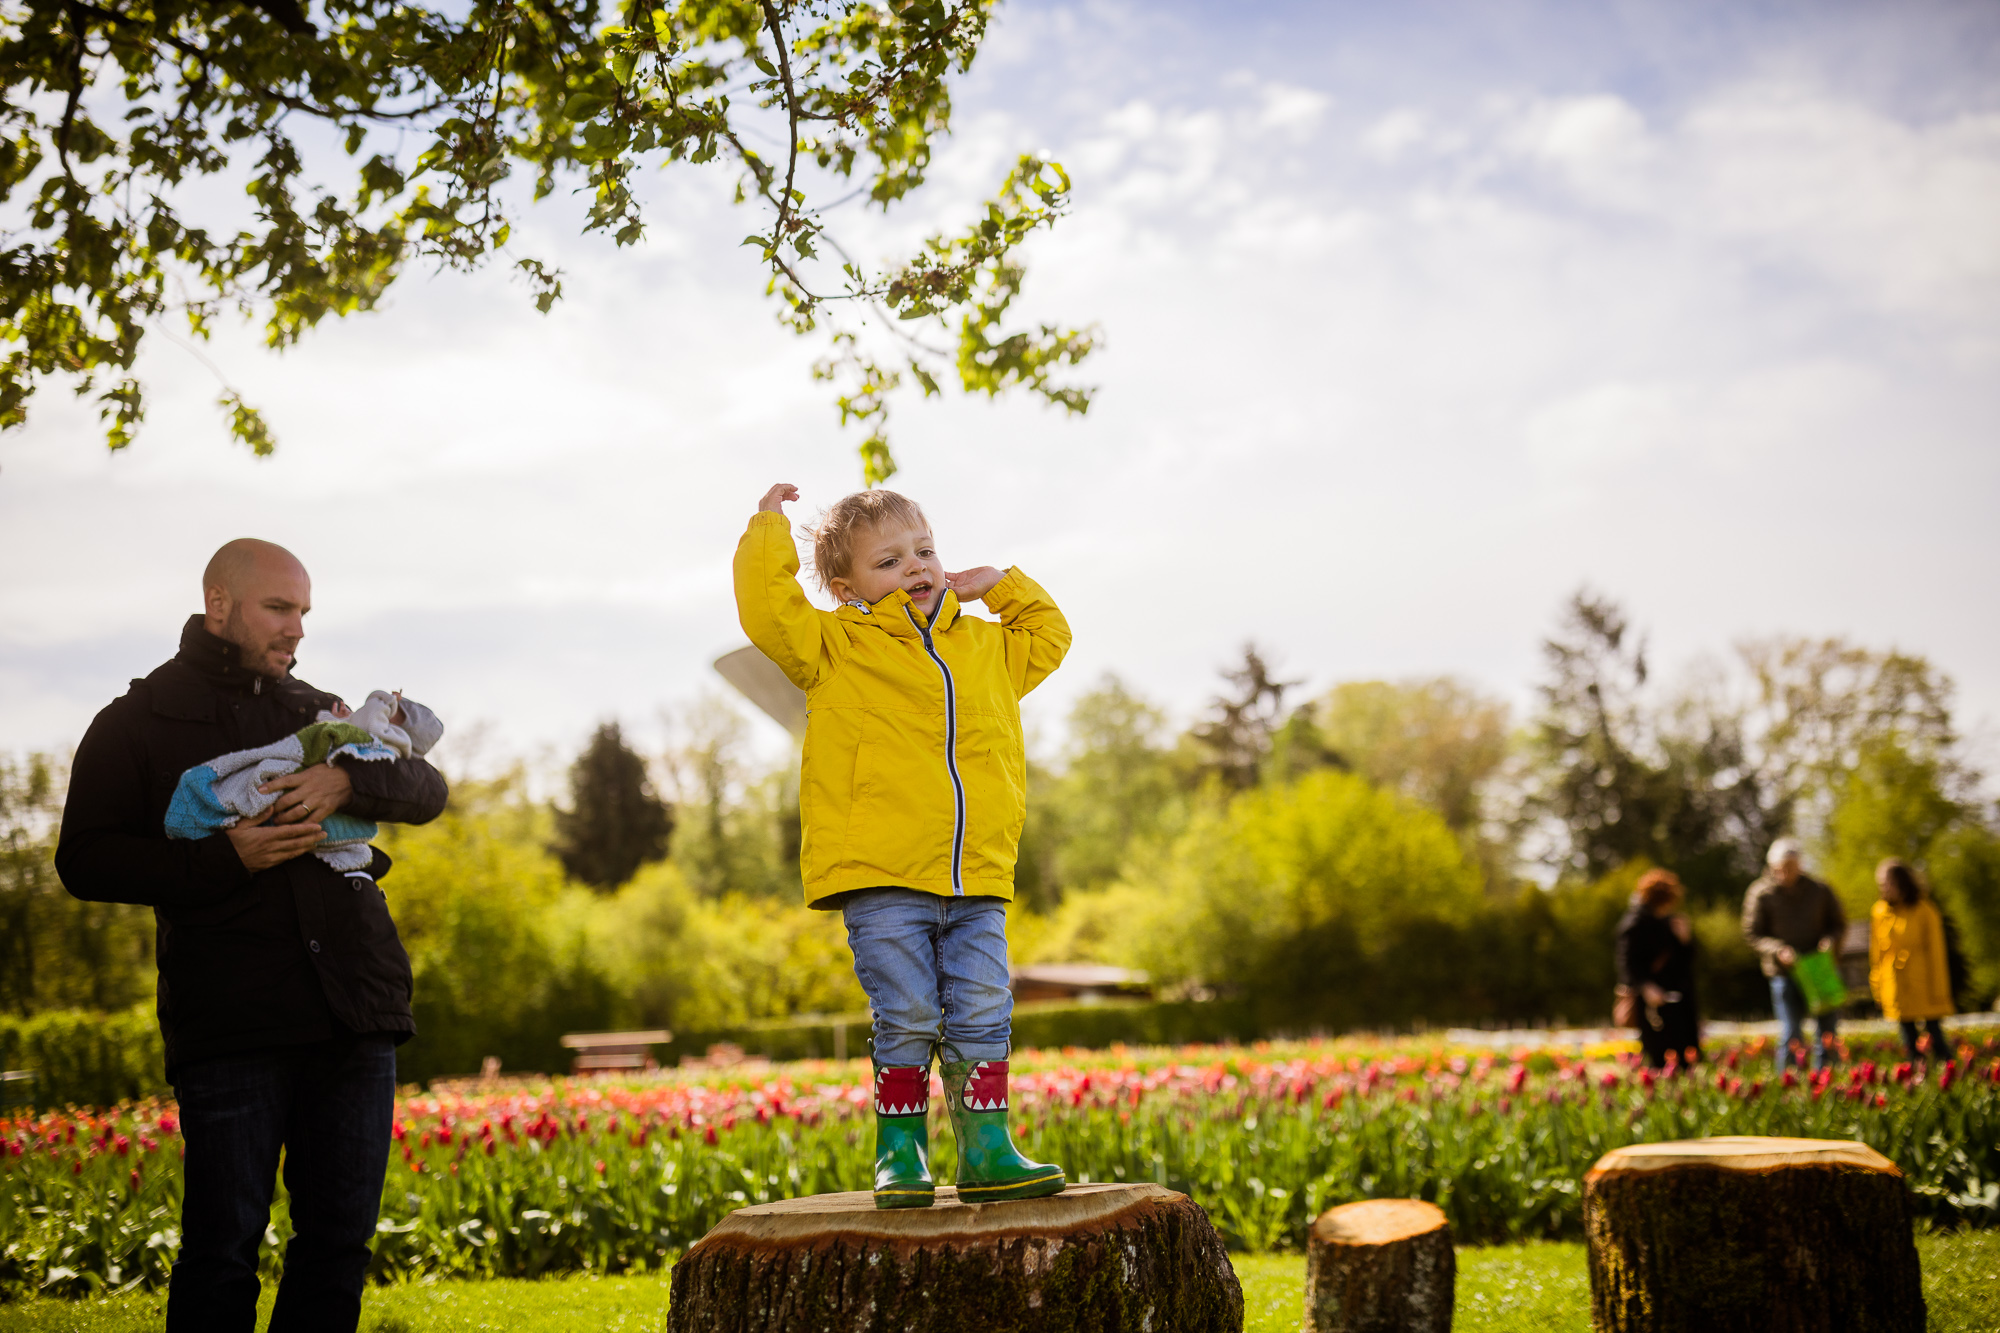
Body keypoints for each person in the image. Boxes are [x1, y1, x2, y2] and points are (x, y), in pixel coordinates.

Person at [55, 539, 448, 1332]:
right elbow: (83, 858)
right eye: (279, 607)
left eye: (303, 610)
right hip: (231, 1017)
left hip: (355, 1008)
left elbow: (428, 787)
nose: (296, 627)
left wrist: (349, 777)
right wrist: (220, 860)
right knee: (223, 1249)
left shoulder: (318, 710)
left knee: (338, 1245)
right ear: (220, 604)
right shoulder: (133, 722)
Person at [735, 483, 1069, 1209]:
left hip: (976, 873)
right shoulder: (833, 646)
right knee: (909, 1012)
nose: (915, 567)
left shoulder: (985, 647)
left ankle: (986, 1150)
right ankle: (901, 1151)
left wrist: (1001, 586)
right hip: (883, 874)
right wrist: (768, 529)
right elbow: (768, 610)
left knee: (985, 1007)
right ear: (845, 587)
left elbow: (1051, 637)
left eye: (925, 550)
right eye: (888, 560)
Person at [1741, 836, 1846, 1073]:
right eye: (1780, 868)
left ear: (1800, 865)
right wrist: (1777, 950)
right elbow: (1752, 933)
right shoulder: (1761, 893)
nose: (1785, 874)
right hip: (1784, 972)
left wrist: (1830, 941)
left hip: (1819, 969)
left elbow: (1838, 924)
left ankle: (1828, 1080)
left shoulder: (1820, 890)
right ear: (1771, 867)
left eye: (1791, 868)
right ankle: (1790, 1083)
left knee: (1828, 1031)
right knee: (1791, 1031)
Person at [1870, 858, 1953, 1065]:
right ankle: (1919, 1080)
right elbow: (1876, 955)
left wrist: (1939, 989)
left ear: (1902, 882)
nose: (1884, 888)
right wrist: (1877, 988)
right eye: (1881, 884)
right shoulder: (1879, 911)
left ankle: (1947, 1075)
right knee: (1909, 1041)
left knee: (1935, 1036)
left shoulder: (1925, 910)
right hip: (1896, 984)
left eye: (1887, 883)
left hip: (1924, 982)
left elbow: (1937, 953)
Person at [1615, 868, 1700, 1069]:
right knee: (1658, 1054)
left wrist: (1685, 940)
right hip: (1652, 1000)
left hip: (1679, 996)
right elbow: (1626, 962)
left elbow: (1687, 960)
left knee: (1685, 1051)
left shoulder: (1672, 921)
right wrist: (1646, 987)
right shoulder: (1634, 923)